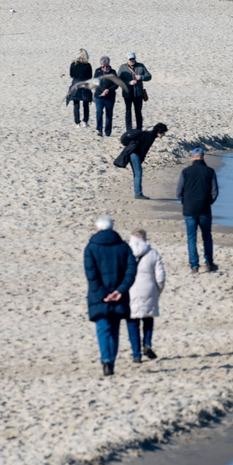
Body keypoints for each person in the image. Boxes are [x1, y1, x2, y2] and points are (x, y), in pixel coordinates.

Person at [84, 215, 136, 376]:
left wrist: (103, 293)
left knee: (103, 328)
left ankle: (106, 359)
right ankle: (110, 361)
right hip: (117, 295)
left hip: (101, 296)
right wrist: (119, 291)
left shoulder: (91, 247)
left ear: (97, 228)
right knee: (113, 329)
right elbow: (131, 272)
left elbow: (91, 275)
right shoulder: (123, 247)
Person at [125, 229, 165, 363]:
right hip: (148, 287)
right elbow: (160, 276)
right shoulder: (153, 253)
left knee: (133, 321)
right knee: (148, 317)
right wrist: (158, 290)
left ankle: (136, 354)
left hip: (130, 287)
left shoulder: (125, 252)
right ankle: (147, 344)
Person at [176, 148, 218, 273]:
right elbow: (214, 192)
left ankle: (194, 265)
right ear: (203, 157)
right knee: (207, 236)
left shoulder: (186, 171)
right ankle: (209, 262)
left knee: (191, 237)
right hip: (204, 208)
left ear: (192, 158)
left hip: (189, 208)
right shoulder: (210, 171)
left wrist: (185, 201)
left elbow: (178, 192)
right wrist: (209, 202)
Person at [116, 123, 167, 199]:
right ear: (159, 132)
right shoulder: (150, 136)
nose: (164, 135)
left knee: (136, 173)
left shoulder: (148, 134)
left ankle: (138, 192)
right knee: (138, 173)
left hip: (131, 153)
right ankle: (138, 193)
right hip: (135, 154)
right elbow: (144, 149)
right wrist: (141, 159)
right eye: (163, 133)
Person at [118, 52, 151, 133]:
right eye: (130, 59)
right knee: (128, 111)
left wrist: (141, 77)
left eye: (133, 59)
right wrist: (129, 82)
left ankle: (139, 129)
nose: (132, 60)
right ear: (126, 59)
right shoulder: (122, 67)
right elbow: (119, 80)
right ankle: (128, 130)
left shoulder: (141, 66)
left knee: (138, 112)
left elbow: (149, 76)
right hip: (127, 94)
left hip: (138, 93)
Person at [93, 56, 118, 137]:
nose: (104, 67)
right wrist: (103, 90)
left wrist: (108, 90)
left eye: (106, 66)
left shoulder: (113, 72)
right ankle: (99, 129)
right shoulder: (97, 71)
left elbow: (116, 84)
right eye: (103, 66)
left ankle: (108, 131)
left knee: (109, 114)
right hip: (99, 96)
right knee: (99, 112)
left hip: (109, 96)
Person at [69, 49, 93, 127]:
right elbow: (90, 76)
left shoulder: (73, 64)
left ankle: (77, 122)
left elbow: (71, 75)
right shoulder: (88, 65)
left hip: (76, 83)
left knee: (76, 104)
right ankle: (85, 121)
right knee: (85, 103)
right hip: (85, 84)